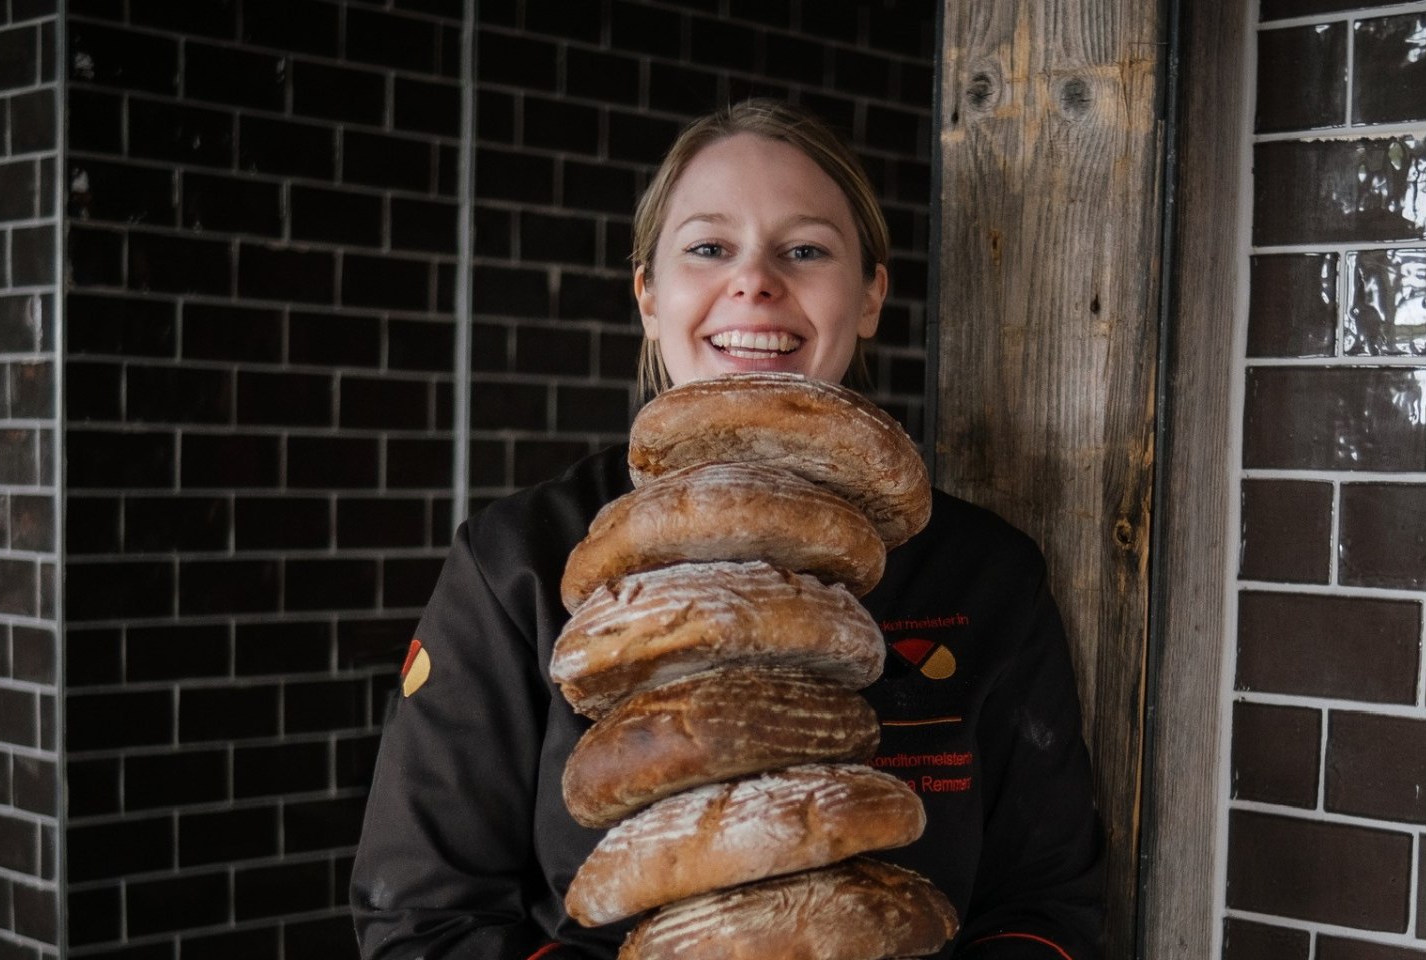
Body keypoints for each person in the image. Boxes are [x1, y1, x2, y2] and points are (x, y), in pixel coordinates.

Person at [351, 99, 1105, 960]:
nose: (755, 282)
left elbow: (1046, 903)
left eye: (806, 250)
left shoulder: (981, 572)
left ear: (869, 297)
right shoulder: (523, 561)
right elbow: (423, 915)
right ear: (648, 294)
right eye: (709, 248)